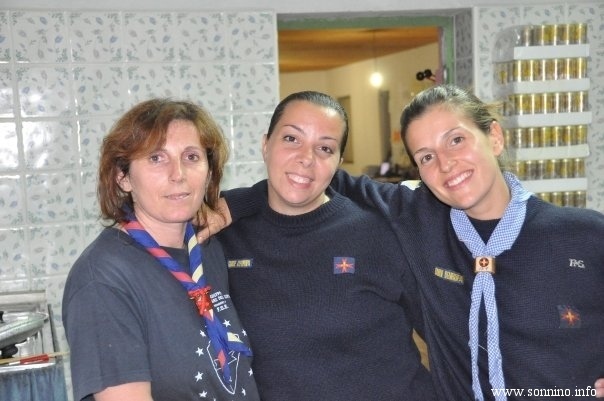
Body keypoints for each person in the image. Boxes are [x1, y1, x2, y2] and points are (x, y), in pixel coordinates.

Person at [327, 84, 604, 400]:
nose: (445, 164)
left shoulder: (583, 235)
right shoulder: (421, 221)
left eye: (456, 140)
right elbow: (324, 176)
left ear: (494, 137)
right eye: (426, 157)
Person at [209, 91, 436, 400]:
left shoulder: (378, 233)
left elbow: (444, 338)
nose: (306, 158)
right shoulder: (224, 237)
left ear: (338, 162)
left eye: (325, 148)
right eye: (291, 139)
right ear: (265, 145)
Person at [62, 99, 260, 401]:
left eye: (191, 157)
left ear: (209, 172)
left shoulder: (209, 249)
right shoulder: (102, 279)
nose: (178, 173)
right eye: (156, 158)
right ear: (123, 177)